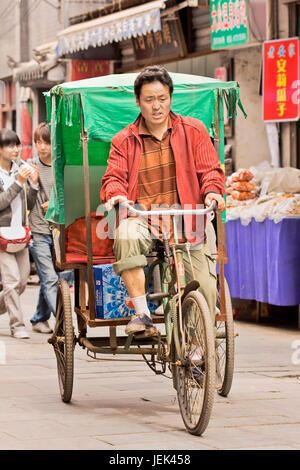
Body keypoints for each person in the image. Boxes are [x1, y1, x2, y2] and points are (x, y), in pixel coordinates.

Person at [100, 65, 225, 338]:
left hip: (188, 219)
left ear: (171, 97)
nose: (156, 106)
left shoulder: (194, 130)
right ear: (138, 101)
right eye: (149, 100)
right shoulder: (123, 140)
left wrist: (213, 192)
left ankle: (199, 348)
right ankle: (142, 312)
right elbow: (113, 178)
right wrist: (116, 195)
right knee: (125, 234)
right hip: (143, 217)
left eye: (162, 98)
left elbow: (210, 171)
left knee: (203, 286)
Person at [28, 122, 73, 334]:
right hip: (38, 230)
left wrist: (55, 203)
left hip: (59, 230)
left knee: (63, 276)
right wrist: (34, 184)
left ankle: (39, 317)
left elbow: (69, 195)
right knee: (49, 278)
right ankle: (63, 324)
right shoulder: (30, 167)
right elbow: (26, 204)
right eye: (38, 142)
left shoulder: (61, 166)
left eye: (46, 142)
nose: (42, 147)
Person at [0, 129, 39, 339]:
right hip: (2, 237)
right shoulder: (12, 176)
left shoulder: (20, 169)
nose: (15, 149)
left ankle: (3, 305)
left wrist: (33, 184)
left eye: (17, 145)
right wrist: (19, 183)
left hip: (21, 235)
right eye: (9, 145)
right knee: (12, 281)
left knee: (22, 281)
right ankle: (17, 325)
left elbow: (29, 205)